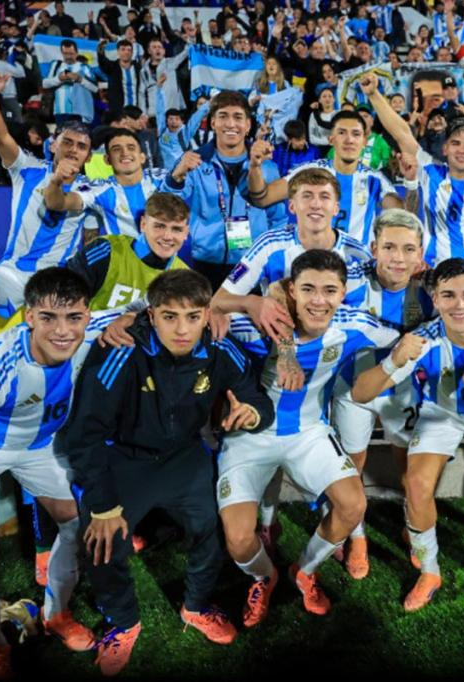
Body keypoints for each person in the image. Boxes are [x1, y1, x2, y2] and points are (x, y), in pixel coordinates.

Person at [64, 269, 275, 676]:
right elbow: (83, 435)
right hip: (127, 460)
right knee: (102, 542)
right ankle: (124, 622)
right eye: (170, 317)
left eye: (193, 317)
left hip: (185, 457)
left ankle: (195, 606)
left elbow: (255, 397)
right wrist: (104, 505)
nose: (182, 329)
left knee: (209, 528)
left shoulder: (218, 346)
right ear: (151, 314)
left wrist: (252, 413)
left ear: (206, 315)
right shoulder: (121, 350)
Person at [0, 268, 119, 679]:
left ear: (88, 315)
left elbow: (142, 308)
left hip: (38, 446)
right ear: (29, 317)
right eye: (49, 317)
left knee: (76, 523)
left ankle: (57, 614)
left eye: (74, 318)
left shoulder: (93, 330)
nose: (64, 332)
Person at [219, 250, 401, 625]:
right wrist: (232, 306)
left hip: (309, 433)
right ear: (291, 290)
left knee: (353, 506)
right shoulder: (251, 325)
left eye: (330, 290)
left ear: (343, 292)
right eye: (309, 289)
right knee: (238, 539)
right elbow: (202, 309)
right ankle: (263, 576)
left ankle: (303, 570)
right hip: (248, 438)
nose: (320, 300)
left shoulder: (354, 325)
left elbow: (409, 338)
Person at [352, 258, 464, 612]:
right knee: (416, 484)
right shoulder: (424, 340)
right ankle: (430, 571)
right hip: (442, 412)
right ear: (435, 299)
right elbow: (361, 394)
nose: (459, 304)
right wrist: (392, 361)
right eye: (448, 295)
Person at [329, 209, 433, 578]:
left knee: (409, 470)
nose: (398, 258)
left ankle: (412, 524)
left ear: (421, 252)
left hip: (403, 391)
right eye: (389, 247)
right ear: (373, 247)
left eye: (408, 249)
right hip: (351, 389)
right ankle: (357, 536)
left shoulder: (431, 288)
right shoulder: (347, 282)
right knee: (351, 467)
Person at [0, 71, 97, 348]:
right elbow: (0, 137)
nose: (73, 149)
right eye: (67, 142)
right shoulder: (28, 169)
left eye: (81, 146)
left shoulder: (91, 191)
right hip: (14, 272)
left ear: (88, 156)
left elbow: (90, 244)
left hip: (56, 281)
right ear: (53, 144)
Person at [209, 167, 371, 341]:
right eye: (307, 196)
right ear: (292, 206)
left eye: (324, 197)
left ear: (336, 208)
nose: (316, 204)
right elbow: (218, 301)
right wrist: (252, 303)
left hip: (335, 351)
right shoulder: (269, 244)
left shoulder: (358, 254)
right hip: (277, 347)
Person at [364, 74, 464, 268]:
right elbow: (402, 133)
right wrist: (374, 94)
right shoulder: (431, 171)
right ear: (445, 148)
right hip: (430, 273)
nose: (462, 150)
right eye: (455, 143)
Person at [162, 90, 287, 291]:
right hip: (204, 263)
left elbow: (278, 219)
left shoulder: (266, 167)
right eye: (223, 116)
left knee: (245, 322)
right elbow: (165, 209)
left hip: (250, 264)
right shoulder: (194, 162)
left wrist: (270, 261)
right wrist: (175, 176)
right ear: (213, 123)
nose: (230, 124)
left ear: (247, 125)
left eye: (238, 117)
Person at [247, 109, 400, 247]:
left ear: (364, 142)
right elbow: (263, 198)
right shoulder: (309, 172)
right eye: (342, 133)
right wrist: (255, 166)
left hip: (358, 271)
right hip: (314, 268)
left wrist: (411, 183)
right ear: (331, 139)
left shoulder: (375, 180)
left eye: (356, 134)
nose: (349, 140)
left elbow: (403, 215)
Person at [45, 127, 167, 239]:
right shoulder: (99, 190)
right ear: (107, 160)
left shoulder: (163, 178)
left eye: (131, 148)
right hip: (126, 261)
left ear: (142, 157)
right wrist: (56, 181)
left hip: (176, 259)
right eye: (117, 149)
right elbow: (57, 203)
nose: (125, 153)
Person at [156, 74, 211, 172]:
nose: (173, 122)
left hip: (182, 172)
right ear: (166, 121)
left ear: (182, 121)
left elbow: (196, 118)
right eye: (171, 119)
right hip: (165, 173)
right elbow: (160, 111)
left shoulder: (185, 132)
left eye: (176, 119)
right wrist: (159, 89)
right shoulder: (162, 130)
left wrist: (209, 103)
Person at [42, 38, 97, 125]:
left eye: (71, 54)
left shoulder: (84, 67)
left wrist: (80, 79)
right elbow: (44, 84)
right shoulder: (56, 65)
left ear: (77, 52)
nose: (68, 57)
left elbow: (95, 88)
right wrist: (59, 79)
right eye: (65, 54)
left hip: (79, 112)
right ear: (61, 53)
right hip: (60, 110)